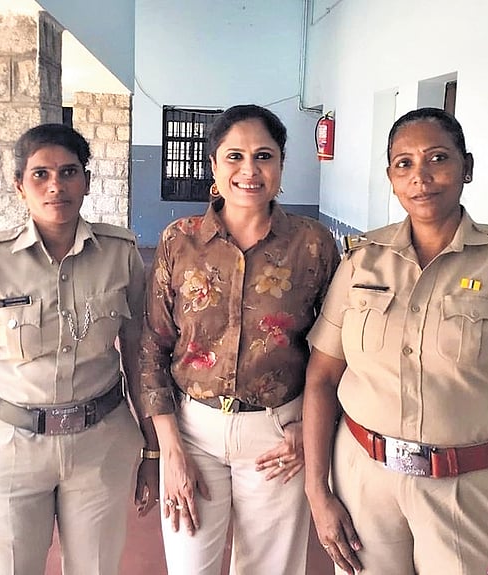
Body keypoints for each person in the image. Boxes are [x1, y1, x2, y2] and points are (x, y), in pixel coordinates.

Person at [303, 107, 488, 575]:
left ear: (466, 166)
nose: (421, 177)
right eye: (404, 164)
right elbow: (321, 378)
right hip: (364, 480)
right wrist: (318, 491)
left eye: (438, 159)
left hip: (470, 489)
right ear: (390, 177)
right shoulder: (362, 262)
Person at [0, 123, 159, 575]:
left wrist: (153, 452)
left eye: (68, 171)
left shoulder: (121, 253)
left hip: (101, 446)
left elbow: (138, 359)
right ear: (19, 186)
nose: (55, 185)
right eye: (40, 174)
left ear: (87, 182)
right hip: (10, 449)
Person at [137, 104, 341, 574]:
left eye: (264, 156)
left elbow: (333, 351)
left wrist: (308, 431)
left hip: (279, 438)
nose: (249, 170)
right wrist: (169, 448)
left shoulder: (313, 244)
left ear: (282, 165)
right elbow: (154, 345)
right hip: (193, 434)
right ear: (213, 165)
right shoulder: (179, 241)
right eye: (234, 156)